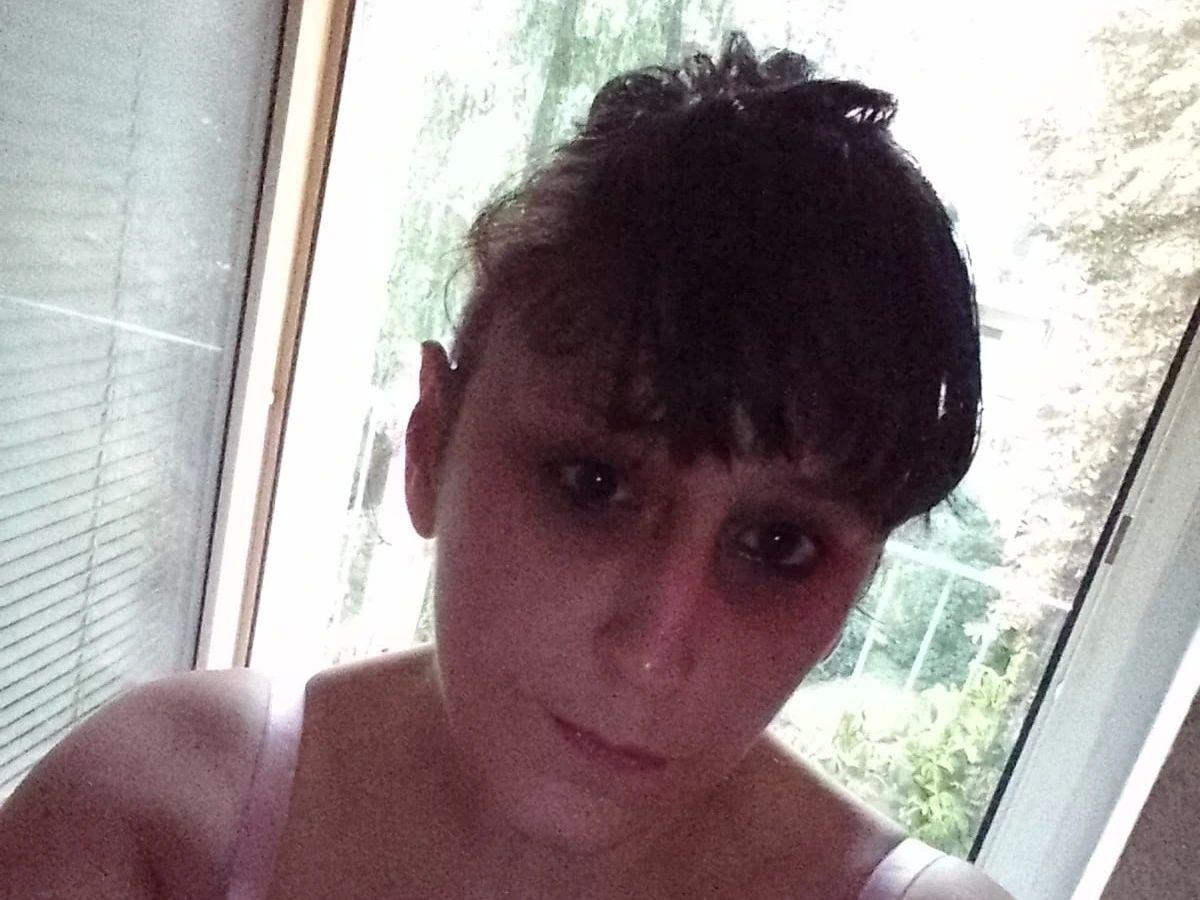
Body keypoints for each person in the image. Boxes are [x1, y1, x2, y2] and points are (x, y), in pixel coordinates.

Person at [0, 32, 1014, 899]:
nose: (653, 650)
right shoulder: (148, 821)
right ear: (429, 442)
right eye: (595, 484)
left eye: (779, 544)